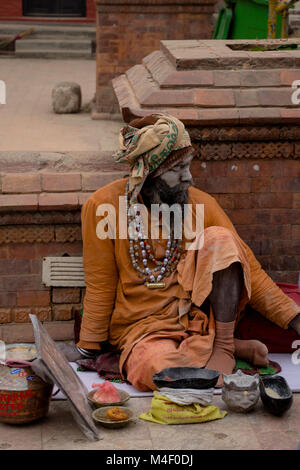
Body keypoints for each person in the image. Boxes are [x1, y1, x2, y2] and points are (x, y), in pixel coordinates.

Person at [76, 113, 300, 390]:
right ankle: (232, 349)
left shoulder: (201, 204)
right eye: (177, 170)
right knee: (154, 368)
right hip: (142, 328)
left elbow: (248, 267)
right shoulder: (102, 206)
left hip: (197, 319)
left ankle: (224, 347)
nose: (189, 177)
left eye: (189, 166)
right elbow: (100, 283)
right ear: (149, 174)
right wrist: (89, 342)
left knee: (221, 238)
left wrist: (294, 317)